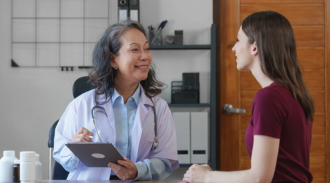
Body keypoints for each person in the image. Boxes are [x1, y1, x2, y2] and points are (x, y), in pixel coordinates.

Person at [183, 11, 314, 183]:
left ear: (254, 47)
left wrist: (207, 176)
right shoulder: (294, 93)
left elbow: (259, 178)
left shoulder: (269, 98)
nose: (234, 48)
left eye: (238, 40)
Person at [53, 20, 179, 181]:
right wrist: (75, 148)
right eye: (135, 49)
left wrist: (138, 170)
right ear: (113, 60)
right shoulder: (81, 105)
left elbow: (166, 160)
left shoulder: (159, 108)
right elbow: (62, 157)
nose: (145, 56)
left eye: (147, 48)